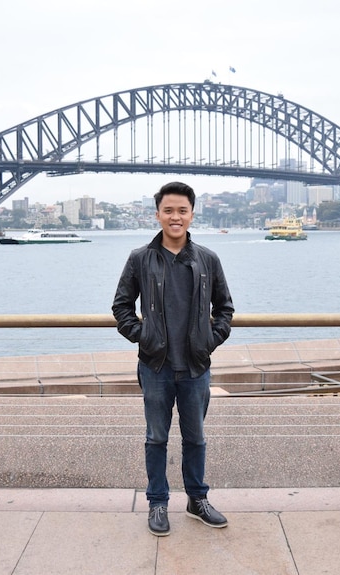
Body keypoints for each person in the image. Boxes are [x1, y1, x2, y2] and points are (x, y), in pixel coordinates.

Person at [112, 181, 235, 537]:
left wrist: (210, 341)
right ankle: (158, 503)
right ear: (158, 215)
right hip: (156, 366)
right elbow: (121, 307)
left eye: (182, 210)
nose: (175, 216)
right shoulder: (140, 258)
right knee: (156, 438)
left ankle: (197, 500)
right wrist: (143, 336)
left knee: (196, 438)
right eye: (169, 210)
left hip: (196, 366)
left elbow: (224, 308)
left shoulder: (207, 259)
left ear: (192, 214)